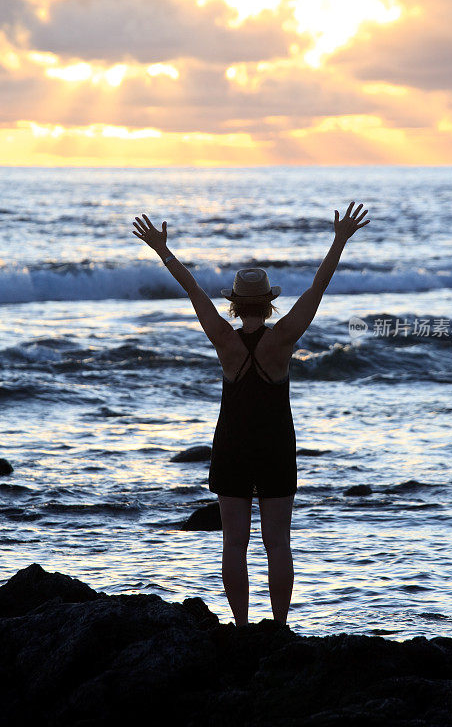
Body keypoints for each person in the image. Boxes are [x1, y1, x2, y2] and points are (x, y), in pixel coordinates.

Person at [132, 201, 370, 627]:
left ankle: (241, 628)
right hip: (277, 444)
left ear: (237, 305)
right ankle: (278, 628)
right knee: (278, 543)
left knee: (234, 545)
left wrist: (162, 250)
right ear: (269, 303)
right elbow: (318, 289)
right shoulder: (282, 341)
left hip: (233, 446)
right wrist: (339, 240)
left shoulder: (224, 338)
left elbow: (194, 291)